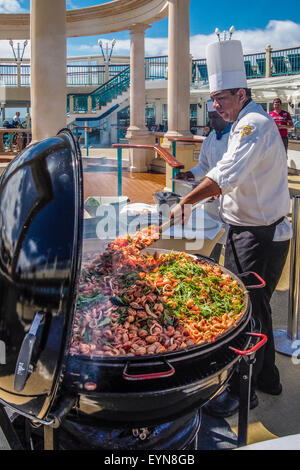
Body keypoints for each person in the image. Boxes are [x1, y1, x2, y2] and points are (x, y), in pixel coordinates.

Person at [171, 38, 292, 417]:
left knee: (245, 316)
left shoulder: (252, 124)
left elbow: (225, 174)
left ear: (241, 93)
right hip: (250, 232)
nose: (214, 105)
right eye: (212, 99)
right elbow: (218, 174)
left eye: (220, 98)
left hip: (257, 236)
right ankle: (268, 378)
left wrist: (185, 202)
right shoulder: (244, 121)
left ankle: (244, 392)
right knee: (256, 310)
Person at [175, 99, 231, 261]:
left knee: (231, 246)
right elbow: (204, 167)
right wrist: (189, 174)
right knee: (211, 241)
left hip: (230, 200)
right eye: (211, 117)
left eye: (216, 117)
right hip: (211, 203)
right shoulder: (210, 140)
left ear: (225, 115)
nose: (212, 122)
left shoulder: (236, 137)